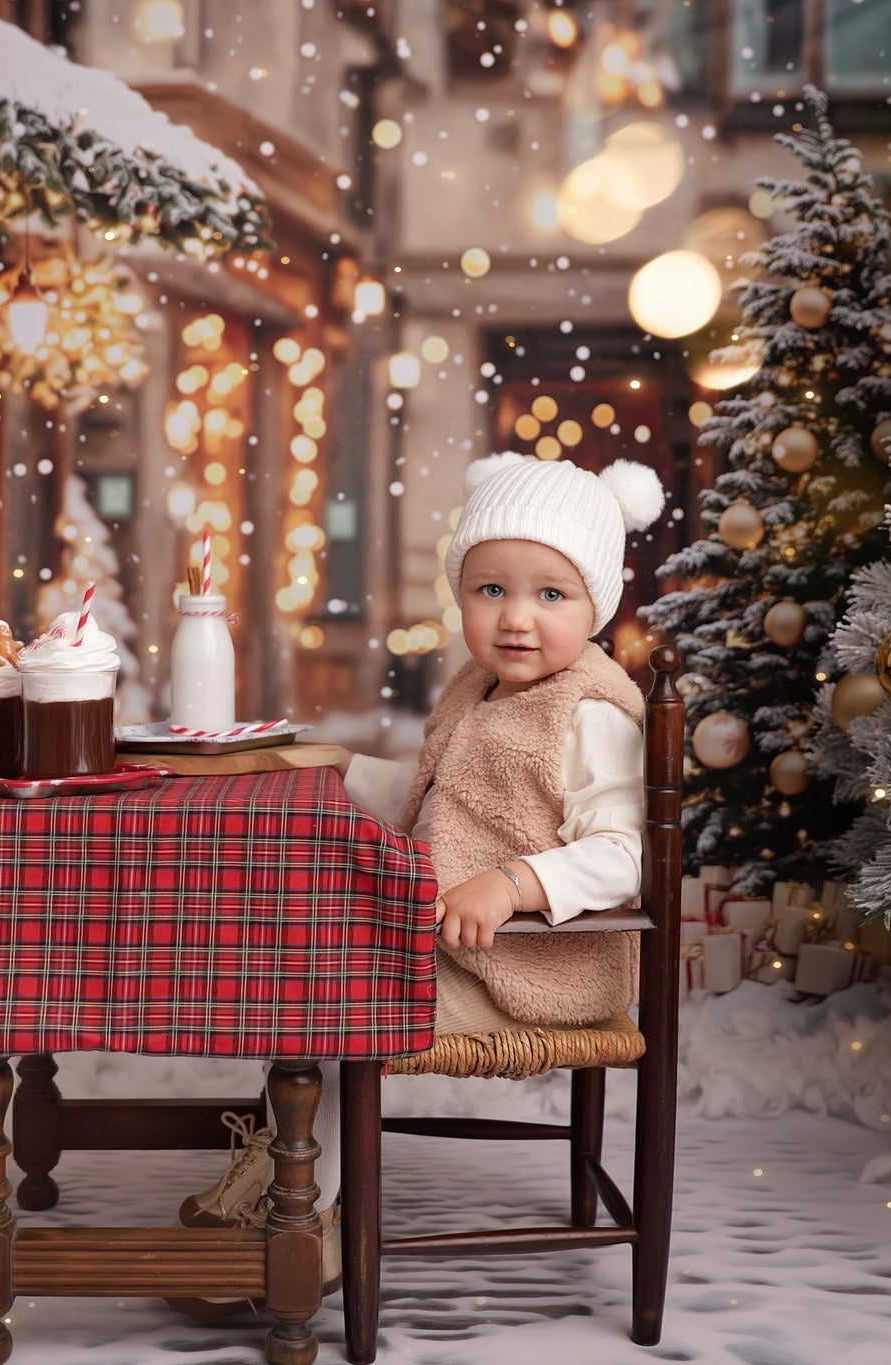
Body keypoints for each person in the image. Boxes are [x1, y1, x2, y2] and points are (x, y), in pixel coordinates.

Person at [175, 451, 667, 1306]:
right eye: (491, 590)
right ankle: (282, 1163)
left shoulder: (591, 711)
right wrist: (329, 764)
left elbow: (626, 854)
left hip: (534, 963)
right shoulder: (477, 688)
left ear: (597, 604)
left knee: (334, 996)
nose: (517, 617)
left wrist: (512, 881)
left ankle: (306, 1219)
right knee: (299, 958)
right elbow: (429, 794)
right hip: (451, 941)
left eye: (551, 594)